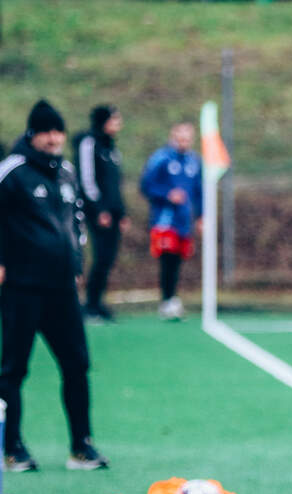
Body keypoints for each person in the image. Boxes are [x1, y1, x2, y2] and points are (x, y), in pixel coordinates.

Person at [0, 100, 110, 472]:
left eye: (58, 131)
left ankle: (82, 447)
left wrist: (77, 263)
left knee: (77, 363)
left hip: (62, 288)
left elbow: (76, 220)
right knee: (14, 369)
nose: (54, 138)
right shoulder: (11, 171)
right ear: (33, 134)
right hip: (22, 287)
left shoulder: (66, 171)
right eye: (47, 132)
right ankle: (12, 448)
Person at [139, 122, 201, 320]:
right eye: (180, 138)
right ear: (173, 137)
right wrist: (167, 195)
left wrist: (201, 216)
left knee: (178, 260)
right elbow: (146, 185)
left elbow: (199, 191)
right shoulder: (161, 158)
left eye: (187, 138)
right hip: (165, 220)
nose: (184, 142)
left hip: (184, 221)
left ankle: (172, 298)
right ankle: (167, 300)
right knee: (168, 259)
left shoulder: (194, 161)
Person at [74, 104, 130, 323]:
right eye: (114, 119)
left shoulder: (112, 148)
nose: (118, 124)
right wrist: (99, 209)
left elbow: (116, 184)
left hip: (113, 213)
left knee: (108, 258)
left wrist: (121, 212)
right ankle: (90, 304)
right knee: (100, 256)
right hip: (97, 213)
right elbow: (87, 179)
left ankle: (97, 301)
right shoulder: (89, 143)